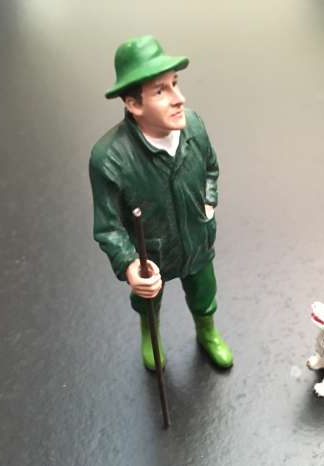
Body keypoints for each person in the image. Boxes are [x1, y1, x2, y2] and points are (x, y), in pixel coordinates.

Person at [89, 36, 233, 370]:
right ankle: (149, 333)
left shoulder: (194, 126)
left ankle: (207, 331)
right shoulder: (110, 158)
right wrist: (129, 265)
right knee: (148, 300)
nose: (178, 99)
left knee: (204, 291)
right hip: (150, 252)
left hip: (196, 239)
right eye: (160, 91)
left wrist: (208, 204)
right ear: (133, 104)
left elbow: (211, 169)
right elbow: (108, 227)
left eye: (175, 84)